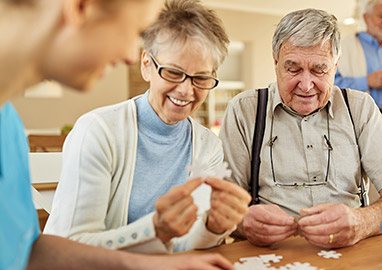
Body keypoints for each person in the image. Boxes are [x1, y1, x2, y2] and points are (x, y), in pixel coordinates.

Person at [0, 0, 234, 269]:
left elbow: (29, 250)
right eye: (133, 30)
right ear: (80, 8)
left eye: (201, 78)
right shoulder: (97, 129)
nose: (129, 56)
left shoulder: (9, 125)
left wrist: (206, 229)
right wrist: (154, 229)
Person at [219, 8, 382, 249]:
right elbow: (221, 206)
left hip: (351, 254)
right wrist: (242, 221)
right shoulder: (243, 110)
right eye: (293, 69)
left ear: (336, 66)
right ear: (276, 63)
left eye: (319, 69)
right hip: (268, 256)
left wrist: (361, 221)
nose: (306, 85)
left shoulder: (360, 108)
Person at [334, 0, 382, 143]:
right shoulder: (343, 47)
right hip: (357, 123)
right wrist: (367, 81)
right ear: (366, 18)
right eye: (381, 16)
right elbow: (331, 85)